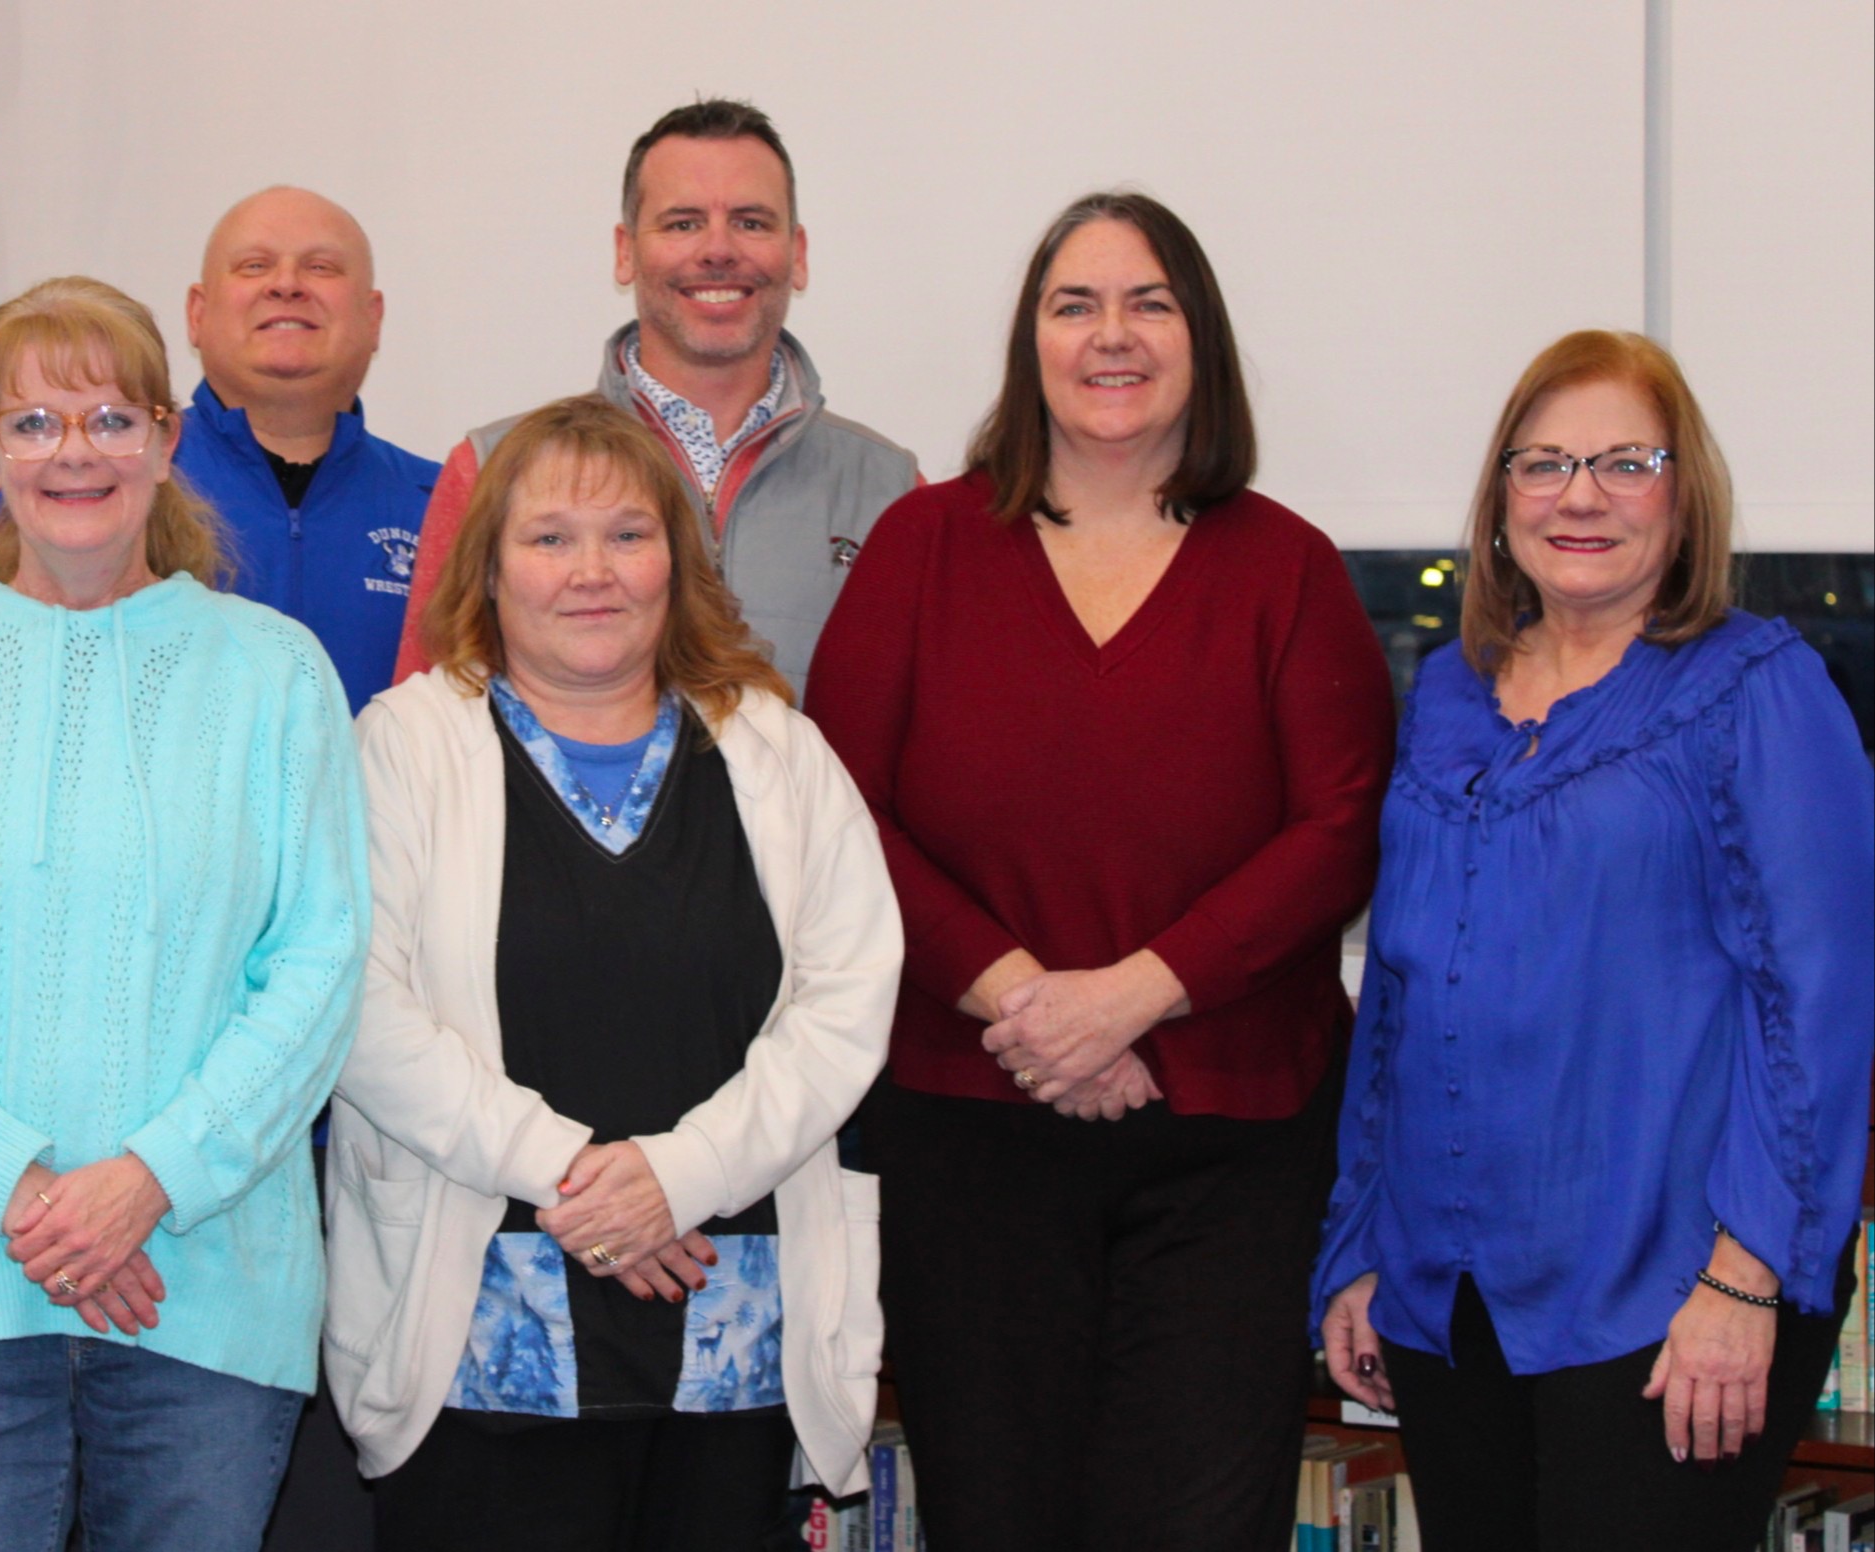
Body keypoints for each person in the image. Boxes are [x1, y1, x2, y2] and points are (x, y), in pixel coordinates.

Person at [801, 191, 1396, 1550]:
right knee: (995, 1513)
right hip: (971, 1129)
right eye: (1074, 304)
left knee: (1192, 1522)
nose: (1109, 335)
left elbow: (1340, 826)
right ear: (1029, 344)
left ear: (1201, 340)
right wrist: (1029, 1003)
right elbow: (837, 809)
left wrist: (1135, 995)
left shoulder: (1284, 570)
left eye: (1148, 303)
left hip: (1228, 1144)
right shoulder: (924, 547)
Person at [0, 275, 367, 1552]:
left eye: (108, 417)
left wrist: (149, 1181)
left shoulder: (275, 673)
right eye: (33, 423)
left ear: (165, 436)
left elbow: (319, 964)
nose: (74, 453)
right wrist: (25, 1189)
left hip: (206, 1285)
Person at [1315, 330, 1873, 1550]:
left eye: (1627, 461)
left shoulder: (1759, 690)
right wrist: (1359, 1243)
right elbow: (1400, 992)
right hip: (1447, 1281)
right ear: (1500, 494)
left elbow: (1816, 1011)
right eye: (1545, 461)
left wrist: (1744, 1279)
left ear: (1685, 495)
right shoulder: (1452, 691)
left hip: (1667, 1289)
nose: (1579, 495)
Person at [327, 394, 901, 1550]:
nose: (593, 571)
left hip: (733, 1329)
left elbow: (847, 1005)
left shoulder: (776, 747)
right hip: (481, 1339)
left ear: (677, 564)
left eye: (629, 535)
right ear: (487, 569)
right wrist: (580, 1178)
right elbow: (361, 1010)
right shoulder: (402, 744)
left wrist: (679, 1176)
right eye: (549, 539)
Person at [392, 97, 919, 693]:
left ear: (796, 254)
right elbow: (427, 729)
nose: (718, 250)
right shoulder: (491, 468)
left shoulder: (893, 492)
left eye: (751, 222)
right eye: (683, 223)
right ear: (625, 251)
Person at [174, 185, 436, 712]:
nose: (287, 285)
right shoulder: (115, 486)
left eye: (321, 267)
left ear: (373, 317)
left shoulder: (446, 506)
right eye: (253, 266)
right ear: (197, 314)